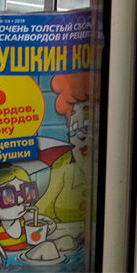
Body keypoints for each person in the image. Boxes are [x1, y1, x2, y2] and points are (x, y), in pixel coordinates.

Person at [37, 74, 94, 231]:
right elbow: (42, 210)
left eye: (87, 127)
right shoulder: (63, 165)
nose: (81, 136)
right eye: (74, 128)